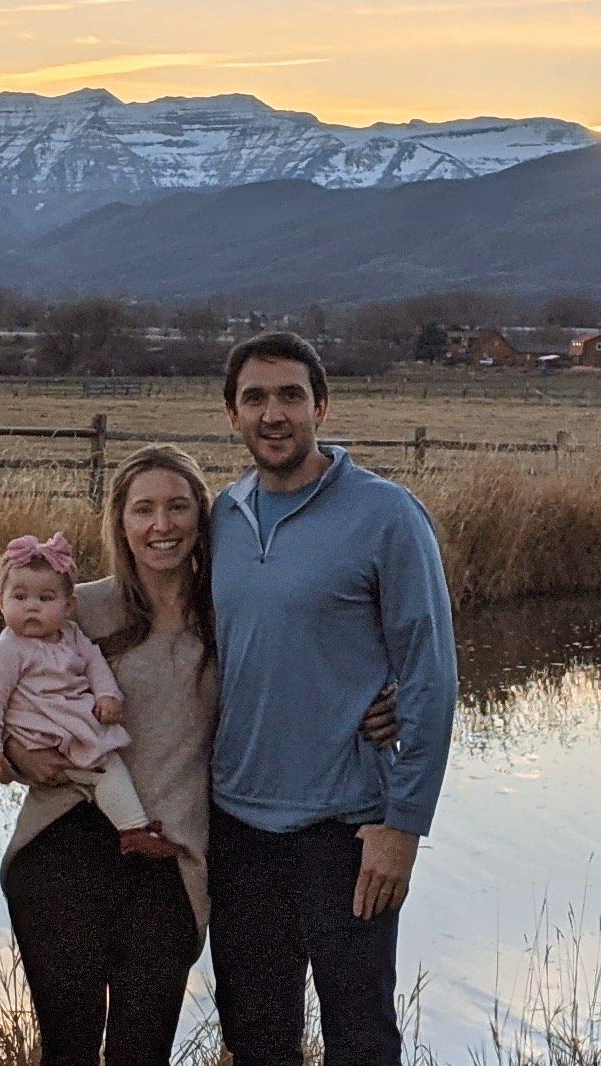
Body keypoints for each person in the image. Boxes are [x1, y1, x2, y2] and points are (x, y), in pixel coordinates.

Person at [0, 444, 400, 1065]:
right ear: (121, 522)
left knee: (142, 1049)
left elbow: (309, 668)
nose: (161, 525)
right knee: (69, 1048)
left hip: (169, 857)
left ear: (201, 519)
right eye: (143, 510)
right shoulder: (76, 606)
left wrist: (383, 699)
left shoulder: (231, 610)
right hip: (62, 848)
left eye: (178, 507)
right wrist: (17, 753)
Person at [208, 330, 457, 1066]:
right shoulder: (220, 516)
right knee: (255, 1037)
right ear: (231, 414)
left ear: (321, 404)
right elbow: (146, 621)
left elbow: (431, 677)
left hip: (348, 831)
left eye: (290, 395)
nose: (273, 413)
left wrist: (401, 825)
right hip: (237, 827)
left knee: (360, 1038)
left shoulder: (385, 515)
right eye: (254, 397)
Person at [0, 530, 184, 858]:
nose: (31, 608)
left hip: (72, 725)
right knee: (104, 766)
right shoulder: (8, 649)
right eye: (20, 598)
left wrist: (107, 697)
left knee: (102, 768)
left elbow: (95, 665)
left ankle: (133, 826)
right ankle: (133, 829)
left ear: (68, 605)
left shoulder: (71, 635)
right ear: (1, 601)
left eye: (44, 599)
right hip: (44, 734)